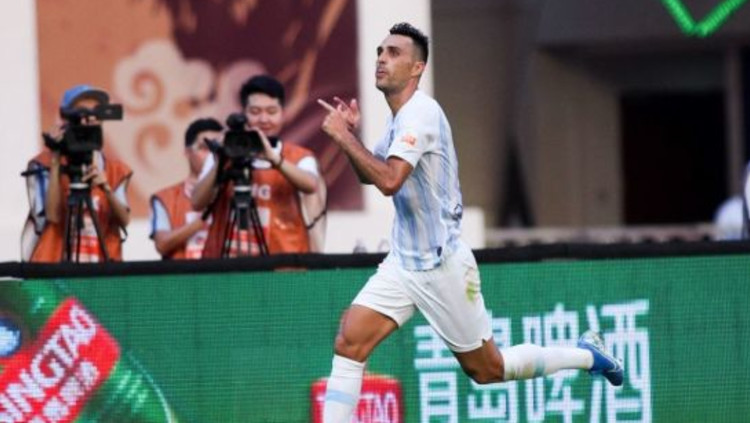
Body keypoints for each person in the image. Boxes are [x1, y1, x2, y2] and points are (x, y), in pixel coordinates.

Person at [317, 22, 624, 421]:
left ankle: (588, 356)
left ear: (417, 68)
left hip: (442, 265)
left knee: (488, 369)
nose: (381, 58)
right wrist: (350, 137)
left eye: (393, 53)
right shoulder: (397, 119)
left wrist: (344, 138)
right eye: (380, 51)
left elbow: (389, 181)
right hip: (403, 263)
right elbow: (369, 174)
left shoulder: (421, 114)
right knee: (349, 342)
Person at [191, 75, 325, 257]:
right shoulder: (223, 155)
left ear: (283, 114)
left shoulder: (299, 156)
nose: (263, 119)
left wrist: (274, 159)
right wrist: (221, 160)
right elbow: (197, 202)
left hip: (282, 263)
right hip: (228, 263)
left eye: (271, 112)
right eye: (255, 112)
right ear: (243, 113)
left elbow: (311, 185)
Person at [22, 84, 132, 262]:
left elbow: (124, 220)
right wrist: (56, 160)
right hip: (57, 270)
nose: (90, 118)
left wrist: (105, 188)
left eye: (96, 112)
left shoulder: (115, 170)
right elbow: (53, 216)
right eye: (82, 112)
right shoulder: (43, 164)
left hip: (100, 269)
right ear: (66, 118)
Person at [149, 118, 222, 259]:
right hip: (182, 272)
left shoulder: (231, 193)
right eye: (205, 148)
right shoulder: (166, 198)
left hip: (223, 272)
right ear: (188, 152)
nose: (212, 155)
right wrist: (202, 220)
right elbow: (162, 244)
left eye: (217, 148)